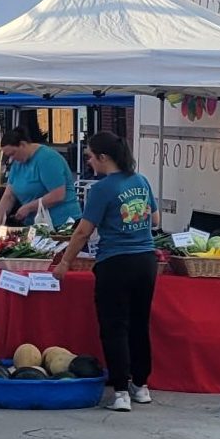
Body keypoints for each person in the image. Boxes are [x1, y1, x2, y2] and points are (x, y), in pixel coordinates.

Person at [50, 132, 158, 411]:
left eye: (89, 156)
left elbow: (84, 231)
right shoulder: (141, 181)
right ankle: (141, 386)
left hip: (115, 261)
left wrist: (65, 262)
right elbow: (155, 218)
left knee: (114, 327)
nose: (88, 162)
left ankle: (120, 390)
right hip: (146, 260)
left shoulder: (101, 189)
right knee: (139, 323)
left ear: (103, 157)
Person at [0, 126, 81, 231]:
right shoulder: (17, 163)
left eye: (13, 153)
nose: (12, 158)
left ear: (23, 145)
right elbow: (9, 195)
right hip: (37, 226)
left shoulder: (47, 159)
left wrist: (28, 207)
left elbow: (58, 195)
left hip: (61, 224)